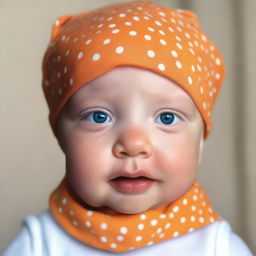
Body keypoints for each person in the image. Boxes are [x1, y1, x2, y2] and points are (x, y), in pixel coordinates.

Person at [1, 1, 253, 255]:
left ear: (200, 143)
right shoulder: (39, 243)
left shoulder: (217, 248)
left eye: (167, 118)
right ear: (60, 135)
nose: (133, 144)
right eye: (98, 117)